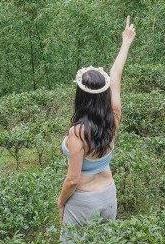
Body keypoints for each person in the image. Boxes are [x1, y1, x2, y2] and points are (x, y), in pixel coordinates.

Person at [58, 15, 136, 239]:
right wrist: (126, 42)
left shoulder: (77, 133)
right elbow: (116, 74)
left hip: (83, 201)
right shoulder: (114, 115)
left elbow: (72, 179)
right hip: (108, 196)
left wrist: (61, 202)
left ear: (81, 95)